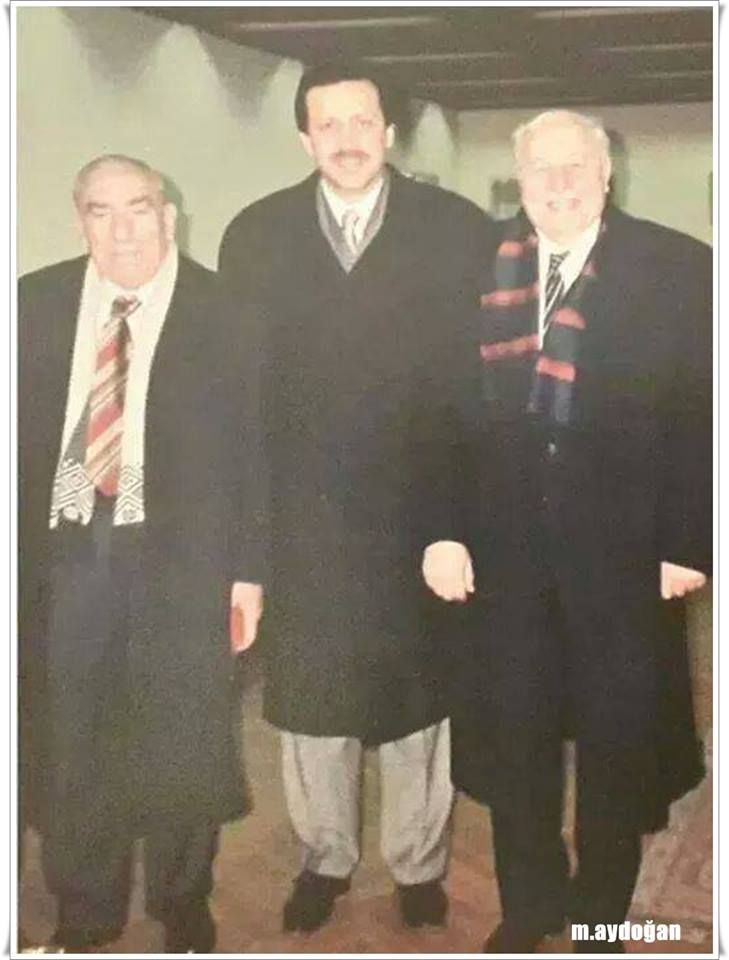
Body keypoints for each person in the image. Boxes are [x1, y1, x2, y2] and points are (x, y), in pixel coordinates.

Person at [425, 109, 712, 953]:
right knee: (516, 738)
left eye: (573, 167)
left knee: (615, 744)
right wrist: (441, 531)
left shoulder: (678, 266)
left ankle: (598, 914)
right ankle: (528, 908)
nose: (556, 184)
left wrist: (687, 541)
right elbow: (436, 413)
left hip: (625, 551)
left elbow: (703, 413)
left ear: (604, 173)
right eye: (539, 169)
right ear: (518, 180)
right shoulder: (471, 268)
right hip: (500, 555)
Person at [218, 60, 496, 932]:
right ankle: (325, 858)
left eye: (362, 121)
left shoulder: (456, 229)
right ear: (304, 137)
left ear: (390, 131)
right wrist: (250, 546)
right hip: (303, 521)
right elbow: (242, 398)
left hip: (420, 515)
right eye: (328, 123)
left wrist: (455, 525)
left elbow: (475, 390)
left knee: (419, 702)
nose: (347, 139)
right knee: (311, 705)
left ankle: (418, 864)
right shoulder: (254, 235)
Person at [18, 155, 266, 953]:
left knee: (183, 733)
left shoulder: (228, 312)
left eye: (137, 208)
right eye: (101, 211)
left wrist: (248, 574)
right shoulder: (34, 301)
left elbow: (260, 452)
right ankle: (85, 910)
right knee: (71, 735)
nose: (122, 229)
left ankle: (181, 901)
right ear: (80, 220)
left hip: (184, 560)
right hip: (63, 557)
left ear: (169, 215)